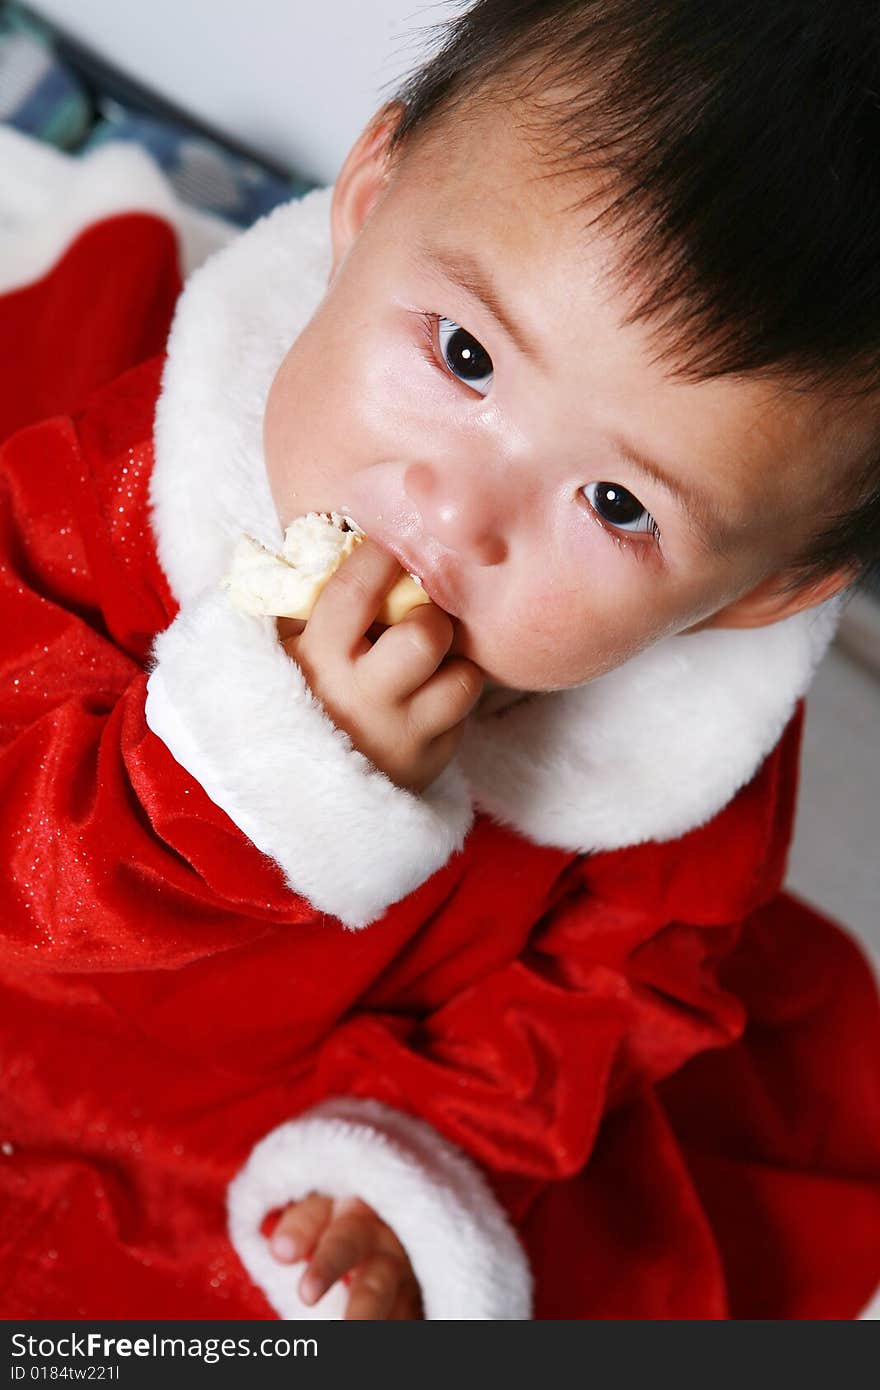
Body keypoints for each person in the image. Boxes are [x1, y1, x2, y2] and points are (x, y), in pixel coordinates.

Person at [1, 0, 878, 1319]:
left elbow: (592, 1006)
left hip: (283, 1121)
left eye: (618, 506)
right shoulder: (132, 496)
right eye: (464, 355)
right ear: (368, 195)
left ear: (759, 595)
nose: (456, 516)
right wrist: (250, 772)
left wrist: (390, 1187)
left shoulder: (676, 774)